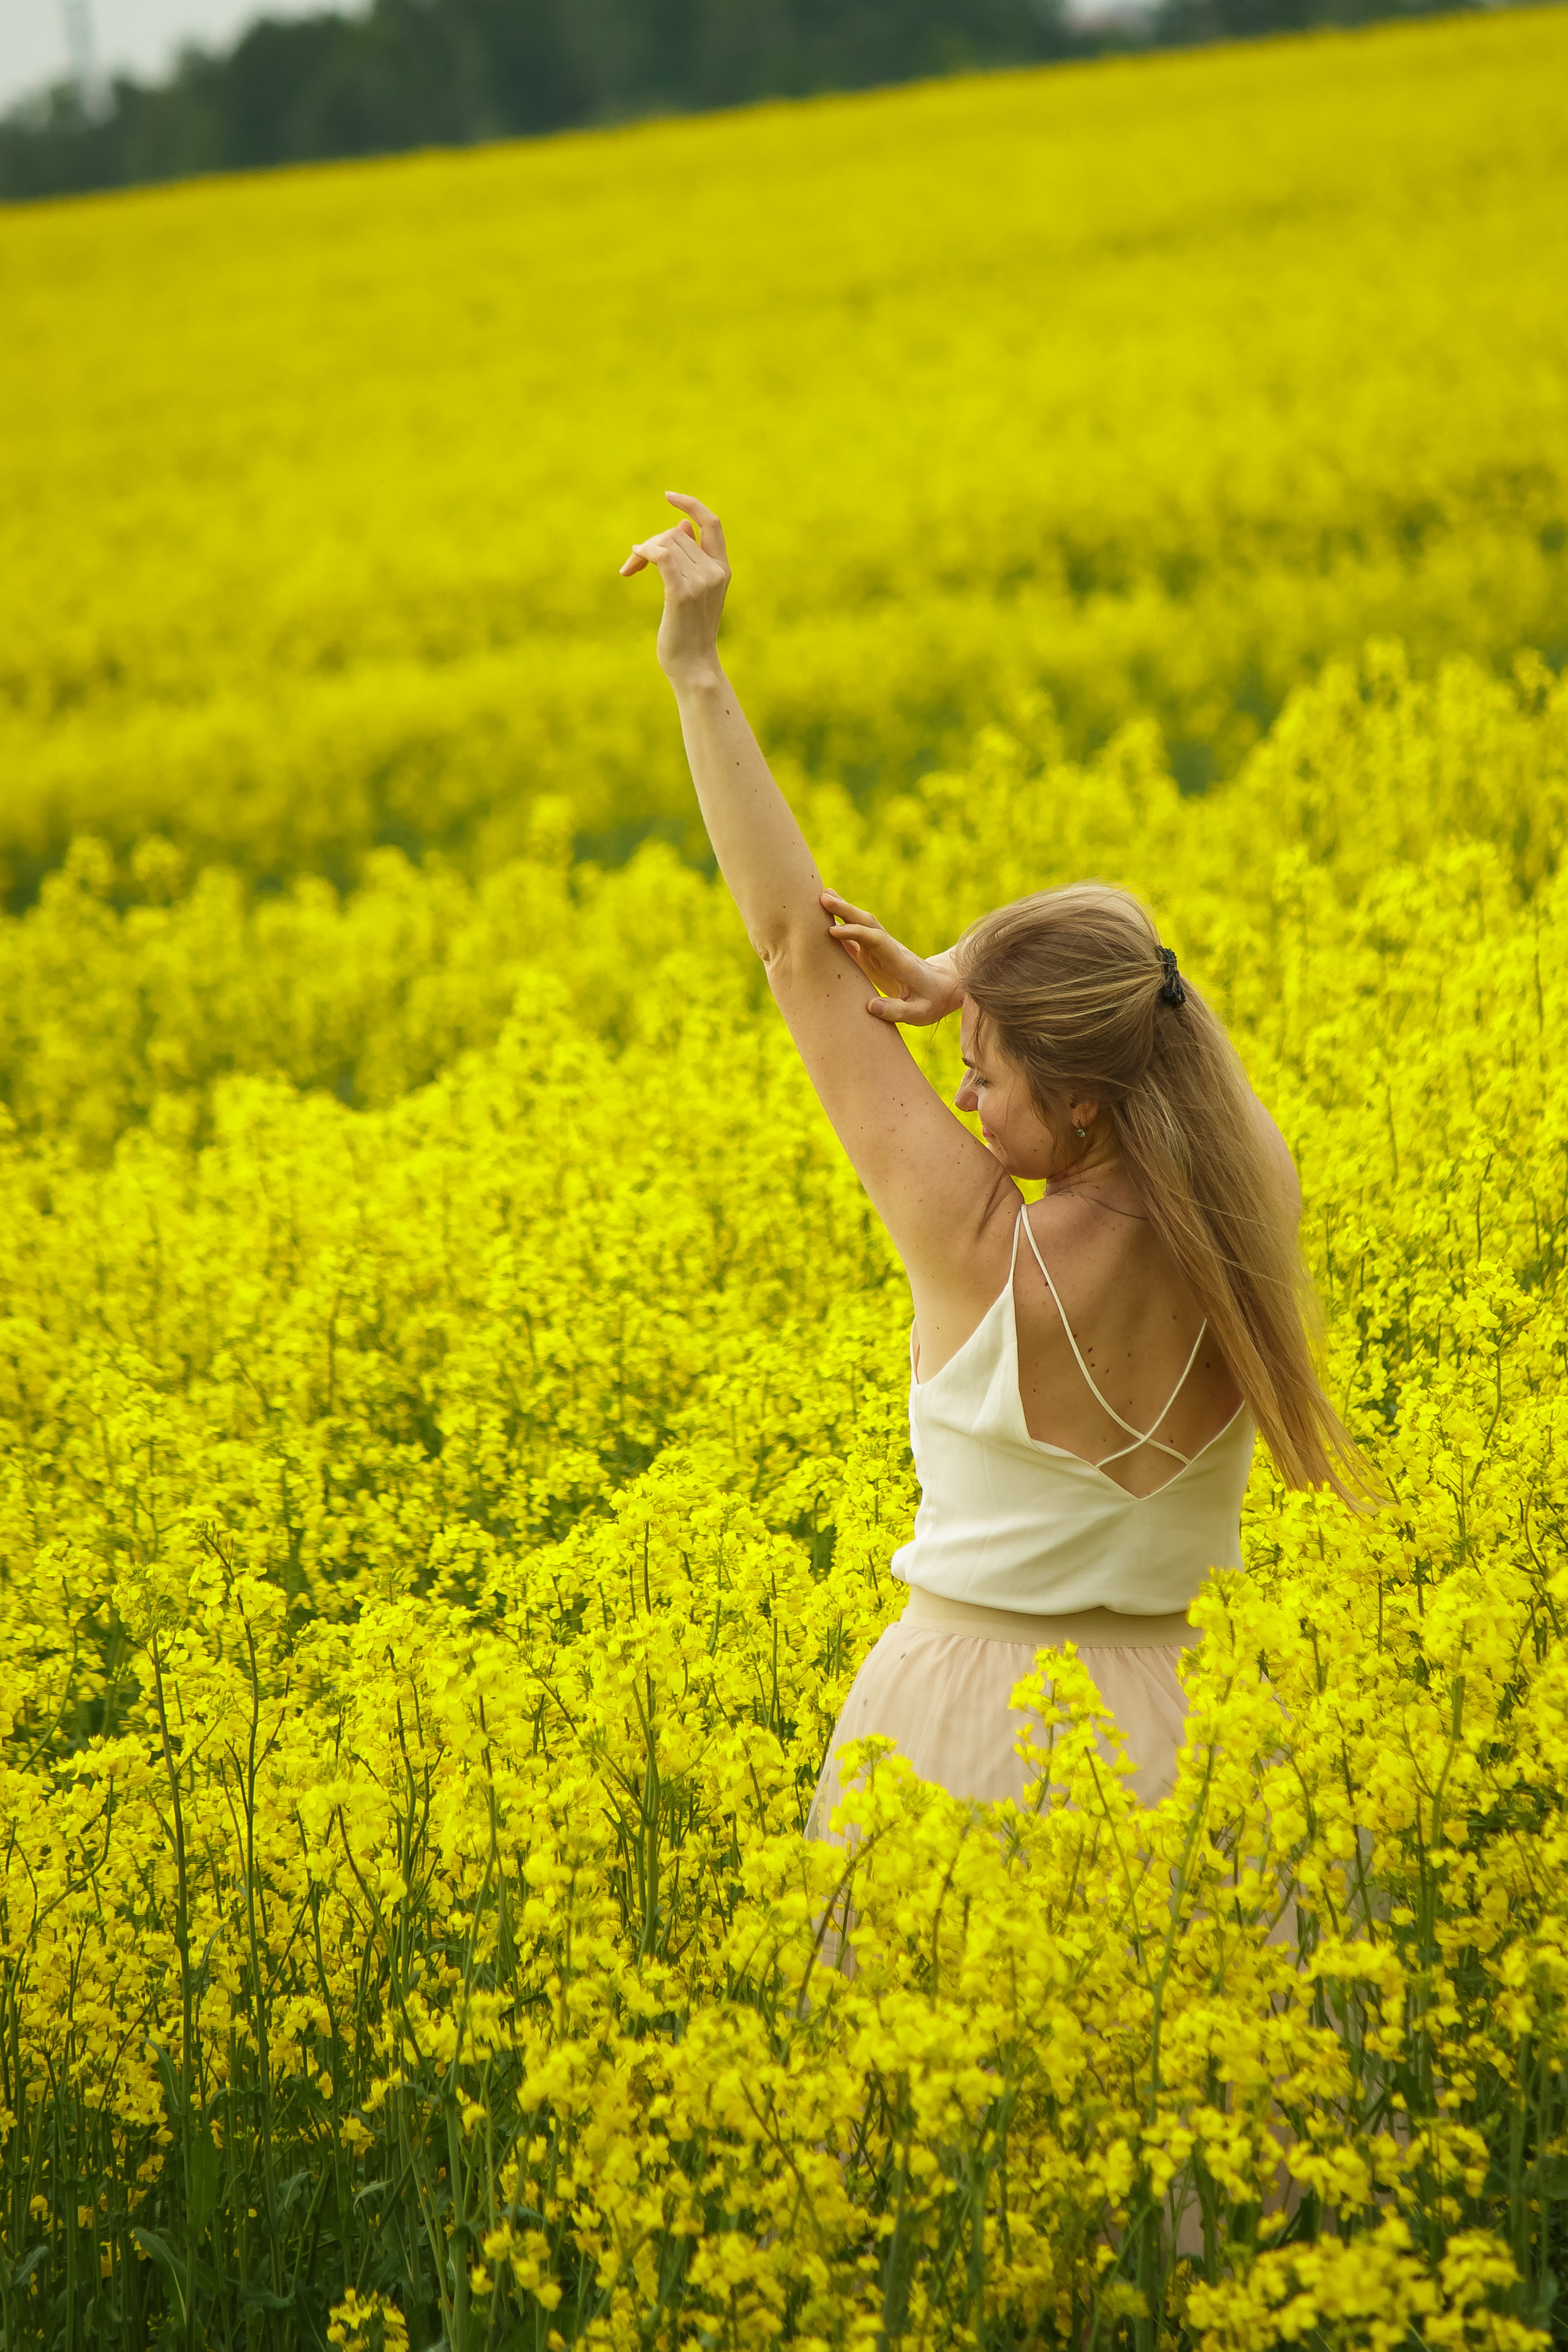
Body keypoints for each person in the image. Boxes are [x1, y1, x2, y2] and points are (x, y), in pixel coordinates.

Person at [622, 492, 1367, 1834]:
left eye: (985, 1071)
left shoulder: (978, 1254)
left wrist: (697, 668)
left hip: (965, 1734)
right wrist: (980, 979)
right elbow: (1144, 968)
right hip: (1207, 1745)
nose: (960, 1094)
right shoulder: (1253, 1206)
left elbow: (794, 947)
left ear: (1080, 1105)